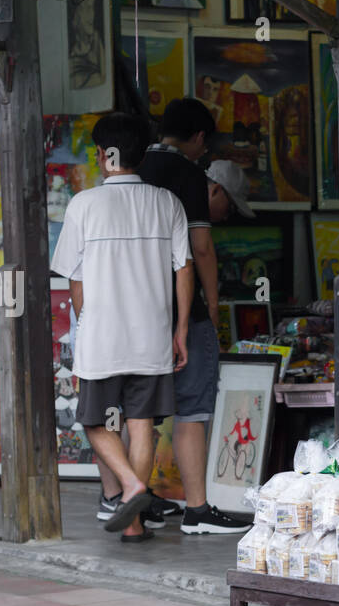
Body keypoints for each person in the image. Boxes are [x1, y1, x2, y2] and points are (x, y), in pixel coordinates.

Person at [98, 97, 254, 535]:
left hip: (131, 313)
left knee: (132, 413)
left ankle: (126, 498)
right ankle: (198, 510)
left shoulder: (129, 171)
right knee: (193, 409)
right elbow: (198, 250)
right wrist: (212, 307)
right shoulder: (188, 176)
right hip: (180, 310)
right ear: (199, 139)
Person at [50, 112, 193, 542]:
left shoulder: (84, 205)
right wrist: (181, 329)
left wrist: (86, 324)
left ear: (101, 155)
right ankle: (133, 522)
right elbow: (183, 268)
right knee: (141, 424)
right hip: (151, 335)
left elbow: (73, 279)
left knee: (96, 423)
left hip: (103, 337)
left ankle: (130, 488)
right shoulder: (167, 203)